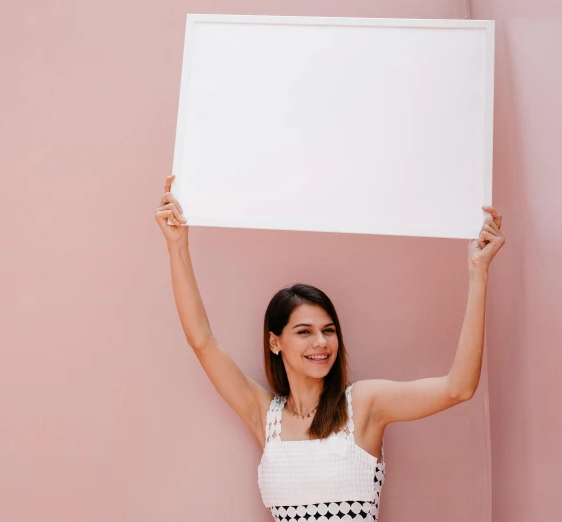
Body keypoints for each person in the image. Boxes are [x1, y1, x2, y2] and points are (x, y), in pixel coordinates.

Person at [154, 174, 505, 521]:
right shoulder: (265, 416)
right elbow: (201, 340)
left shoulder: (365, 405)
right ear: (275, 342)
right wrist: (177, 246)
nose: (321, 342)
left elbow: (458, 388)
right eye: (304, 332)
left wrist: (478, 272)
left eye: (329, 330)